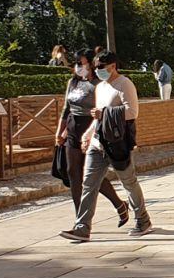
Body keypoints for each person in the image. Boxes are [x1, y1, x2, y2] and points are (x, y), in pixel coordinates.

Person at [59, 51, 153, 241]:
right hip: (97, 142)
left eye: (102, 66)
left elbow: (132, 112)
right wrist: (89, 132)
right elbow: (97, 116)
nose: (99, 70)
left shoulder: (124, 84)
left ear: (113, 66)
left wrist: (104, 113)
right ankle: (82, 227)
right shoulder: (100, 87)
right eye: (97, 66)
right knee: (89, 184)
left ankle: (143, 219)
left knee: (128, 182)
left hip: (117, 142)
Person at [54, 49, 129, 228]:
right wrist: (60, 130)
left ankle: (119, 204)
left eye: (82, 63)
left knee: (91, 174)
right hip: (73, 128)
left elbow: (104, 107)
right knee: (74, 173)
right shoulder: (72, 83)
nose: (79, 67)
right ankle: (80, 221)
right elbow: (66, 108)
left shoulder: (99, 84)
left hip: (92, 126)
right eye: (77, 64)